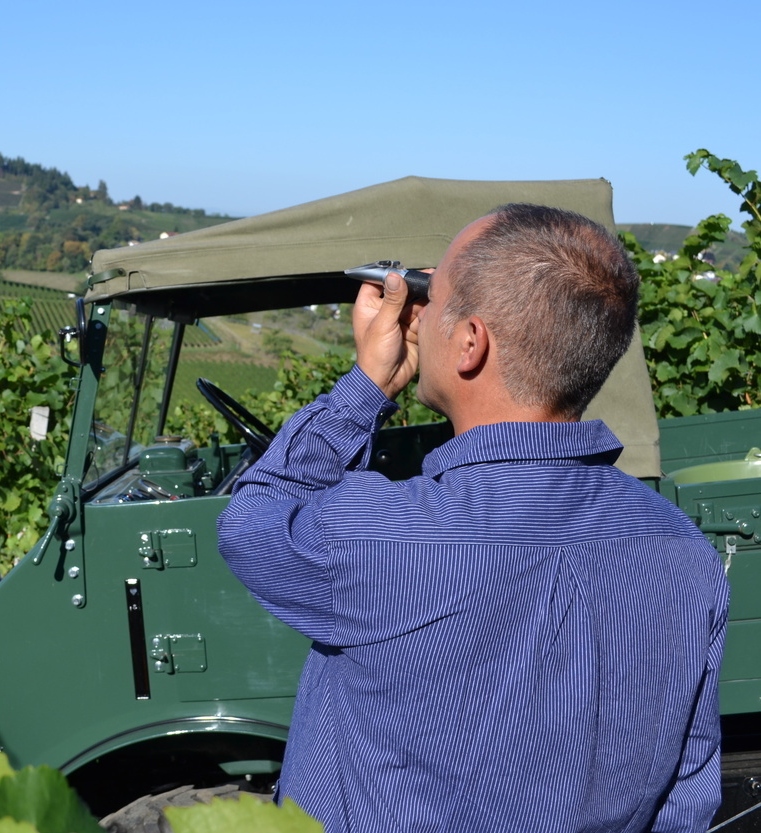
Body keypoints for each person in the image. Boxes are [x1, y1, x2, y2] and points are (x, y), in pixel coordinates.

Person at [217, 204, 729, 833]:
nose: (417, 313)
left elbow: (254, 519)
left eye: (431, 297)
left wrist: (366, 385)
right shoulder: (683, 552)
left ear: (470, 343)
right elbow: (684, 797)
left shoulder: (392, 535)